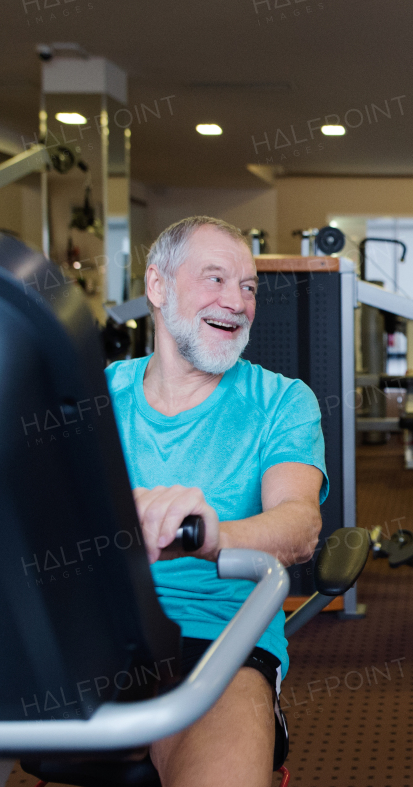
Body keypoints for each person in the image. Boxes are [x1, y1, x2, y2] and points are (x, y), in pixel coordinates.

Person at [104, 216, 326, 787]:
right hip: (95, 633)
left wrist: (213, 535)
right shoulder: (97, 396)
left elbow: (300, 526)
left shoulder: (282, 401)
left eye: (248, 287)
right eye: (215, 279)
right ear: (157, 286)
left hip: (218, 643)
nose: (237, 302)